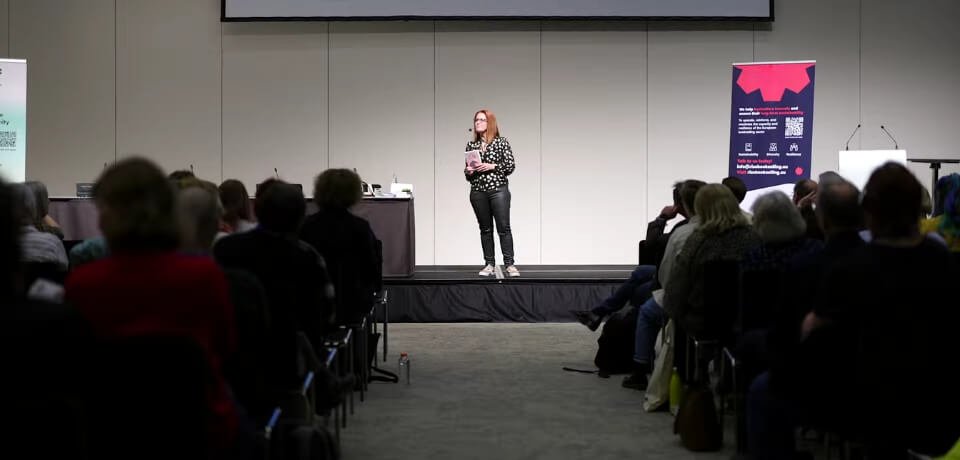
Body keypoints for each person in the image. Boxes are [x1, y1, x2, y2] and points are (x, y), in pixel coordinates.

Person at [64, 158, 240, 453]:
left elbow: (78, 367)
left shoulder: (83, 283)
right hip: (198, 428)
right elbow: (225, 349)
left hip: (110, 430)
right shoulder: (204, 276)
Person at [622, 180, 707, 390]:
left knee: (646, 309)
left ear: (681, 204)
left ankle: (640, 368)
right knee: (640, 278)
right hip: (719, 300)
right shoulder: (730, 226)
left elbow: (667, 272)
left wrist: (661, 218)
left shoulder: (684, 231)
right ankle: (603, 312)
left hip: (686, 299)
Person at [572, 181, 689, 331]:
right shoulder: (688, 224)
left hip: (678, 281)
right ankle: (598, 314)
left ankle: (637, 348)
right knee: (641, 272)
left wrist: (662, 218)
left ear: (678, 205)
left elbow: (651, 245)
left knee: (638, 292)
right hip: (673, 274)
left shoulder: (686, 227)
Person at [300, 168, 380, 326]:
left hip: (312, 306)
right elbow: (371, 271)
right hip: (351, 306)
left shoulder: (305, 226)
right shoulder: (360, 228)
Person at [464, 109, 518, 277]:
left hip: (498, 190)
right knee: (485, 229)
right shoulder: (471, 145)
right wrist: (469, 170)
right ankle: (489, 264)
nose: (477, 123)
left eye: (481, 120)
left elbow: (510, 166)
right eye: (476, 120)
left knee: (503, 228)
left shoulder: (501, 142)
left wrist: (492, 166)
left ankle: (509, 264)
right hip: (478, 191)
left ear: (490, 123)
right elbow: (467, 175)